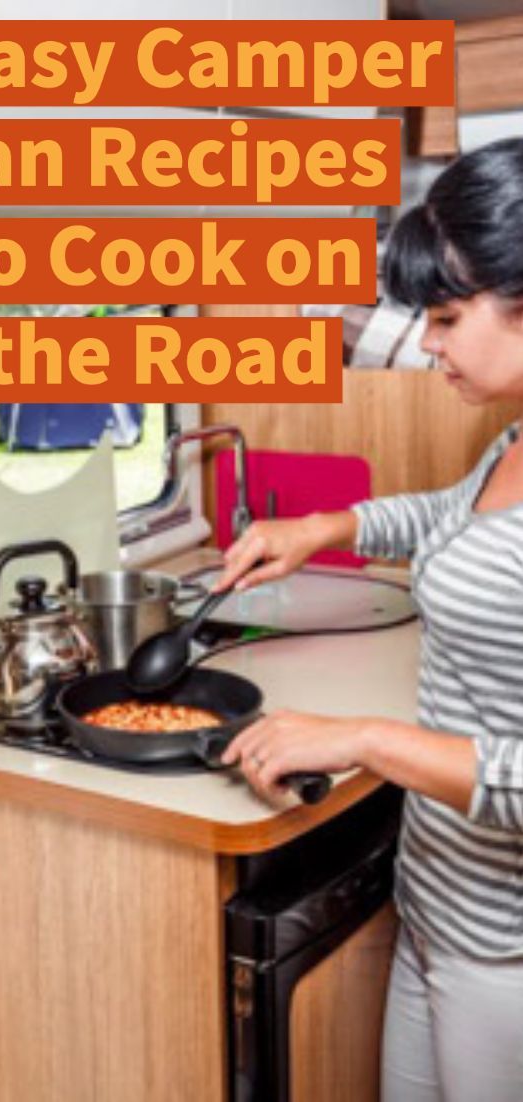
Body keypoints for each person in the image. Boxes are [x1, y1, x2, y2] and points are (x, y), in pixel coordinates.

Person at [215, 136, 523, 1102]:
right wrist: (326, 524)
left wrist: (362, 737)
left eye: (443, 317)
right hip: (437, 896)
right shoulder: (514, 436)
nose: (426, 344)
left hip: (505, 956)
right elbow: (458, 513)